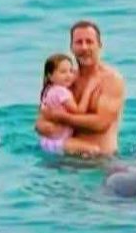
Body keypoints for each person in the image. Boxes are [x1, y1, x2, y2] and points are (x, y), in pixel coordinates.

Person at [35, 20, 126, 158]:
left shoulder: (111, 80)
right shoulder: (66, 80)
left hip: (99, 160)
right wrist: (42, 127)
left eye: (89, 42)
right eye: (79, 42)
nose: (84, 47)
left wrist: (60, 117)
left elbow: (101, 123)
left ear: (99, 46)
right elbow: (43, 117)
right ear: (71, 47)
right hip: (64, 157)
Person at [36, 53, 103, 157]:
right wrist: (89, 90)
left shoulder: (48, 91)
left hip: (46, 142)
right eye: (63, 72)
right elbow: (79, 111)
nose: (68, 75)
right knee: (95, 150)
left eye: (71, 71)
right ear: (50, 76)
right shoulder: (62, 92)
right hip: (60, 142)